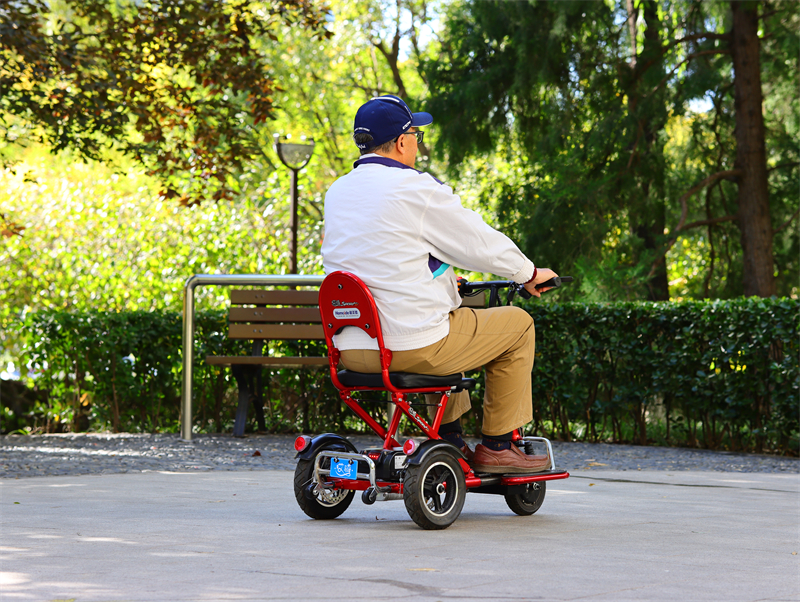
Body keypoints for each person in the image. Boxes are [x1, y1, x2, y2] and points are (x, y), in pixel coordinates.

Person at [321, 95, 558, 474]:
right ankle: (498, 447)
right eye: (416, 133)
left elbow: (381, 260)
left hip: (353, 349)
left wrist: (439, 278)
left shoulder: (338, 192)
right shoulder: (413, 188)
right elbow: (476, 241)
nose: (418, 141)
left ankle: (449, 440)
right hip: (410, 347)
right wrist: (529, 273)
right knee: (518, 325)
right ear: (402, 141)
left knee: (440, 318)